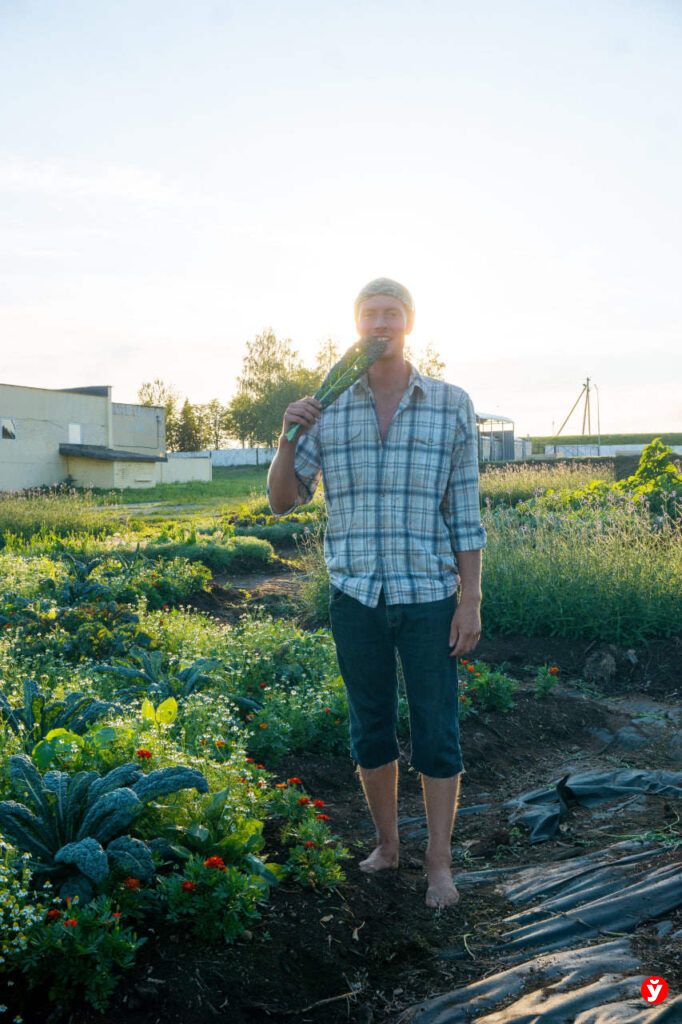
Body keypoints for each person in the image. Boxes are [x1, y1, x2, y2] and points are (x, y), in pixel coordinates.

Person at [266, 277, 486, 908]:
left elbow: (465, 514)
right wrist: (287, 434)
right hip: (355, 596)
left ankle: (439, 865)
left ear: (410, 323)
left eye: (391, 314)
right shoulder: (325, 406)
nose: (379, 323)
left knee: (437, 729)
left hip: (428, 596)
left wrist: (469, 599)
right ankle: (389, 847)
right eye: (369, 315)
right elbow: (283, 500)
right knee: (370, 728)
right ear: (356, 326)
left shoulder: (450, 403)